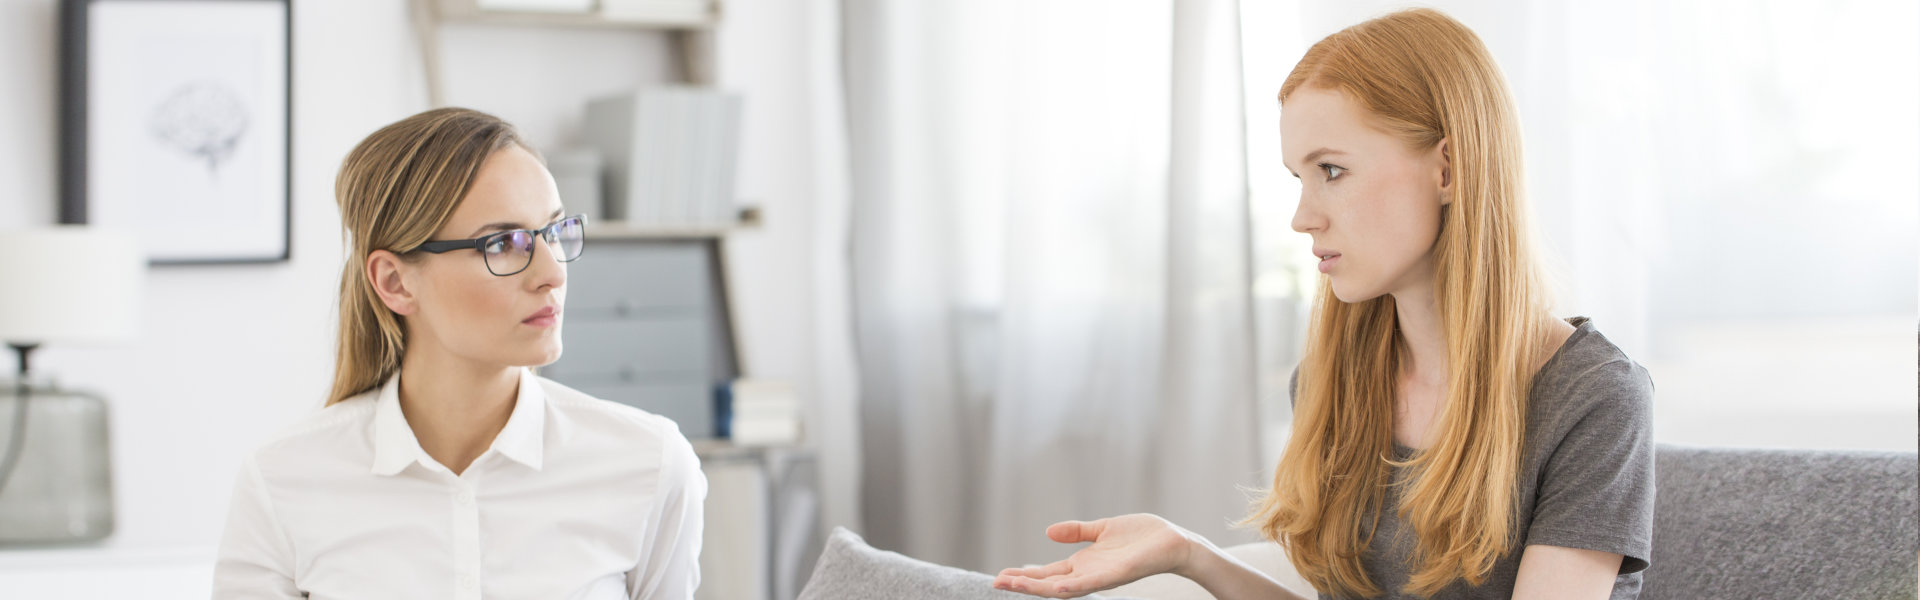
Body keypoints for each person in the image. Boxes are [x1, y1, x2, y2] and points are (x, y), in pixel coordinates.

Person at [993, 8, 1654, 600]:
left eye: (1331, 171)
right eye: (1297, 179)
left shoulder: (1593, 398)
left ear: (1448, 169)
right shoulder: (1330, 382)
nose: (1303, 217)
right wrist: (1189, 557)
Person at [212, 108, 706, 599]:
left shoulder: (651, 465)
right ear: (395, 282)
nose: (553, 272)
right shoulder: (283, 484)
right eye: (504, 243)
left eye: (553, 233)